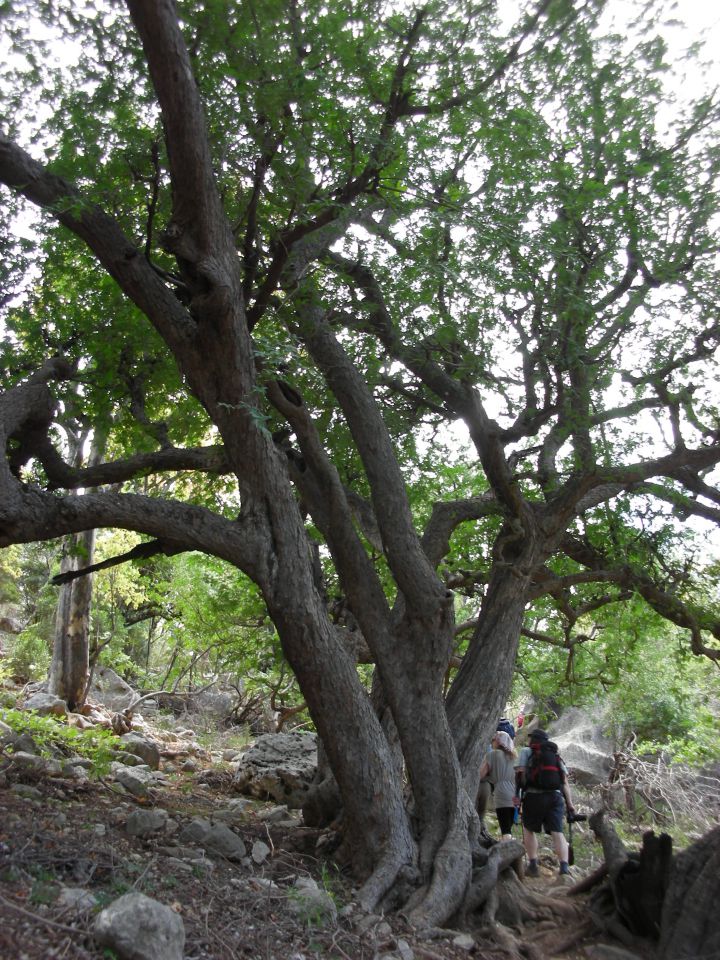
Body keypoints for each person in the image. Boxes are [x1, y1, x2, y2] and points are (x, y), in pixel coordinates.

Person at [514, 729, 576, 876]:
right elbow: (564, 781)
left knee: (528, 829)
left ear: (533, 740)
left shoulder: (526, 751)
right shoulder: (555, 755)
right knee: (557, 831)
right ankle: (564, 868)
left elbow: (519, 774)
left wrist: (517, 796)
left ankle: (533, 865)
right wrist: (570, 805)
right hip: (555, 797)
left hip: (533, 796)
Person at [478, 730, 517, 840]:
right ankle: (510, 848)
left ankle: (508, 852)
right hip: (515, 796)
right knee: (508, 828)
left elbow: (481, 775)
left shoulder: (493, 754)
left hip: (502, 795)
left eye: (493, 740)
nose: (491, 743)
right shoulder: (514, 757)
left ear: (499, 741)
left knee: (505, 830)